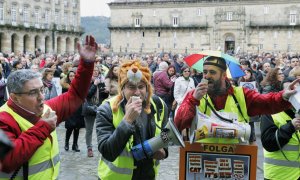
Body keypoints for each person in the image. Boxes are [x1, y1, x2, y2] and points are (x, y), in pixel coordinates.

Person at [0, 35, 97, 179]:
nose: (41, 97)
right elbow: (8, 161)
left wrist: (87, 64)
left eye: (42, 89)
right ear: (15, 97)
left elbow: (75, 95)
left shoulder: (46, 108)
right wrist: (43, 127)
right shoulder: (3, 119)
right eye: (33, 92)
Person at [174, 56, 300, 144]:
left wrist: (284, 95)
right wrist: (193, 100)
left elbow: (266, 102)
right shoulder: (194, 95)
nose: (206, 76)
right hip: (202, 160)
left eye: (212, 72)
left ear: (224, 75)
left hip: (236, 162)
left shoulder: (241, 94)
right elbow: (179, 123)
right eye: (205, 72)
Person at [95, 60, 169, 180]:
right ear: (122, 89)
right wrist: (127, 121)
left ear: (147, 88)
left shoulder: (158, 104)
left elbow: (166, 133)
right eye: (131, 87)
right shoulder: (107, 109)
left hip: (147, 175)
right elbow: (107, 152)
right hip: (115, 177)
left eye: (141, 87)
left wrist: (164, 151)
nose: (137, 92)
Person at [260, 89, 300, 180]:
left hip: (296, 175)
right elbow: (269, 143)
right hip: (277, 175)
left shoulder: (296, 113)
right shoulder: (270, 113)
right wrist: (290, 127)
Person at [83, 65, 108, 157]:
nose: (95, 72)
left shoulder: (101, 81)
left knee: (100, 129)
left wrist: (106, 93)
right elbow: (87, 95)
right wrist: (94, 85)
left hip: (99, 108)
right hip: (89, 109)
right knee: (89, 130)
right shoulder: (86, 82)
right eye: (93, 70)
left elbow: (102, 97)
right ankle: (89, 148)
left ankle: (101, 146)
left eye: (97, 70)